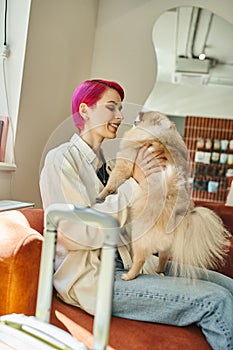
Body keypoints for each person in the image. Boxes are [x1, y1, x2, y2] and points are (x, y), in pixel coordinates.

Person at [40, 79, 233, 350]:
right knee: (218, 301)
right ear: (84, 111)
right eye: (111, 108)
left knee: (228, 285)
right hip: (93, 278)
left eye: (120, 108)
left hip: (127, 263)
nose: (120, 116)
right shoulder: (60, 160)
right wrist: (135, 186)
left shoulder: (106, 164)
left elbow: (131, 225)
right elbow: (76, 235)